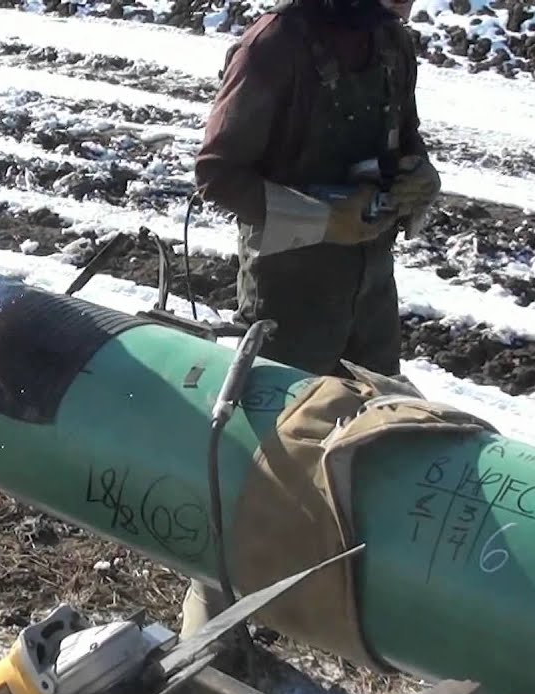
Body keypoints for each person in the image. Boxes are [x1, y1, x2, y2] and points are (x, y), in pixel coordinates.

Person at [181, 0, 440, 635]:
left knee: (373, 425)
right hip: (289, 289)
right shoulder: (275, 47)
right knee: (270, 453)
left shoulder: (391, 44)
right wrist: (324, 218)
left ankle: (334, 586)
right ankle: (216, 618)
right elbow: (218, 175)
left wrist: (419, 180)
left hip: (368, 286)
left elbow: (404, 141)